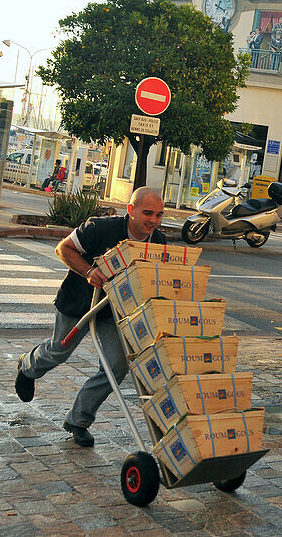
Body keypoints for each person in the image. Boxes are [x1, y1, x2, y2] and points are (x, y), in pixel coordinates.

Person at [13, 187, 167, 447]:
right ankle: (27, 367)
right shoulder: (100, 228)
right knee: (58, 351)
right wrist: (88, 272)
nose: (153, 220)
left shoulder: (158, 243)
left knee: (116, 366)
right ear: (131, 210)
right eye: (147, 213)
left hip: (113, 311)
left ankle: (78, 420)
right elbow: (64, 249)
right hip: (79, 302)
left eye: (159, 215)